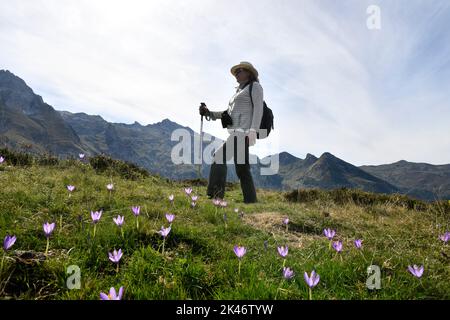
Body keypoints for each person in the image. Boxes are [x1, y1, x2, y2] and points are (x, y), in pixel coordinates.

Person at [199, 61, 264, 203]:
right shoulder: (238, 92)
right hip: (237, 132)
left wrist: (253, 131)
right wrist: (208, 113)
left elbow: (259, 109)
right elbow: (226, 114)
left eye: (240, 71)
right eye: (236, 71)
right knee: (242, 169)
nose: (237, 73)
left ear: (248, 73)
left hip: (243, 133)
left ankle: (216, 195)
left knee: (219, 156)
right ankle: (251, 201)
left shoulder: (255, 87)